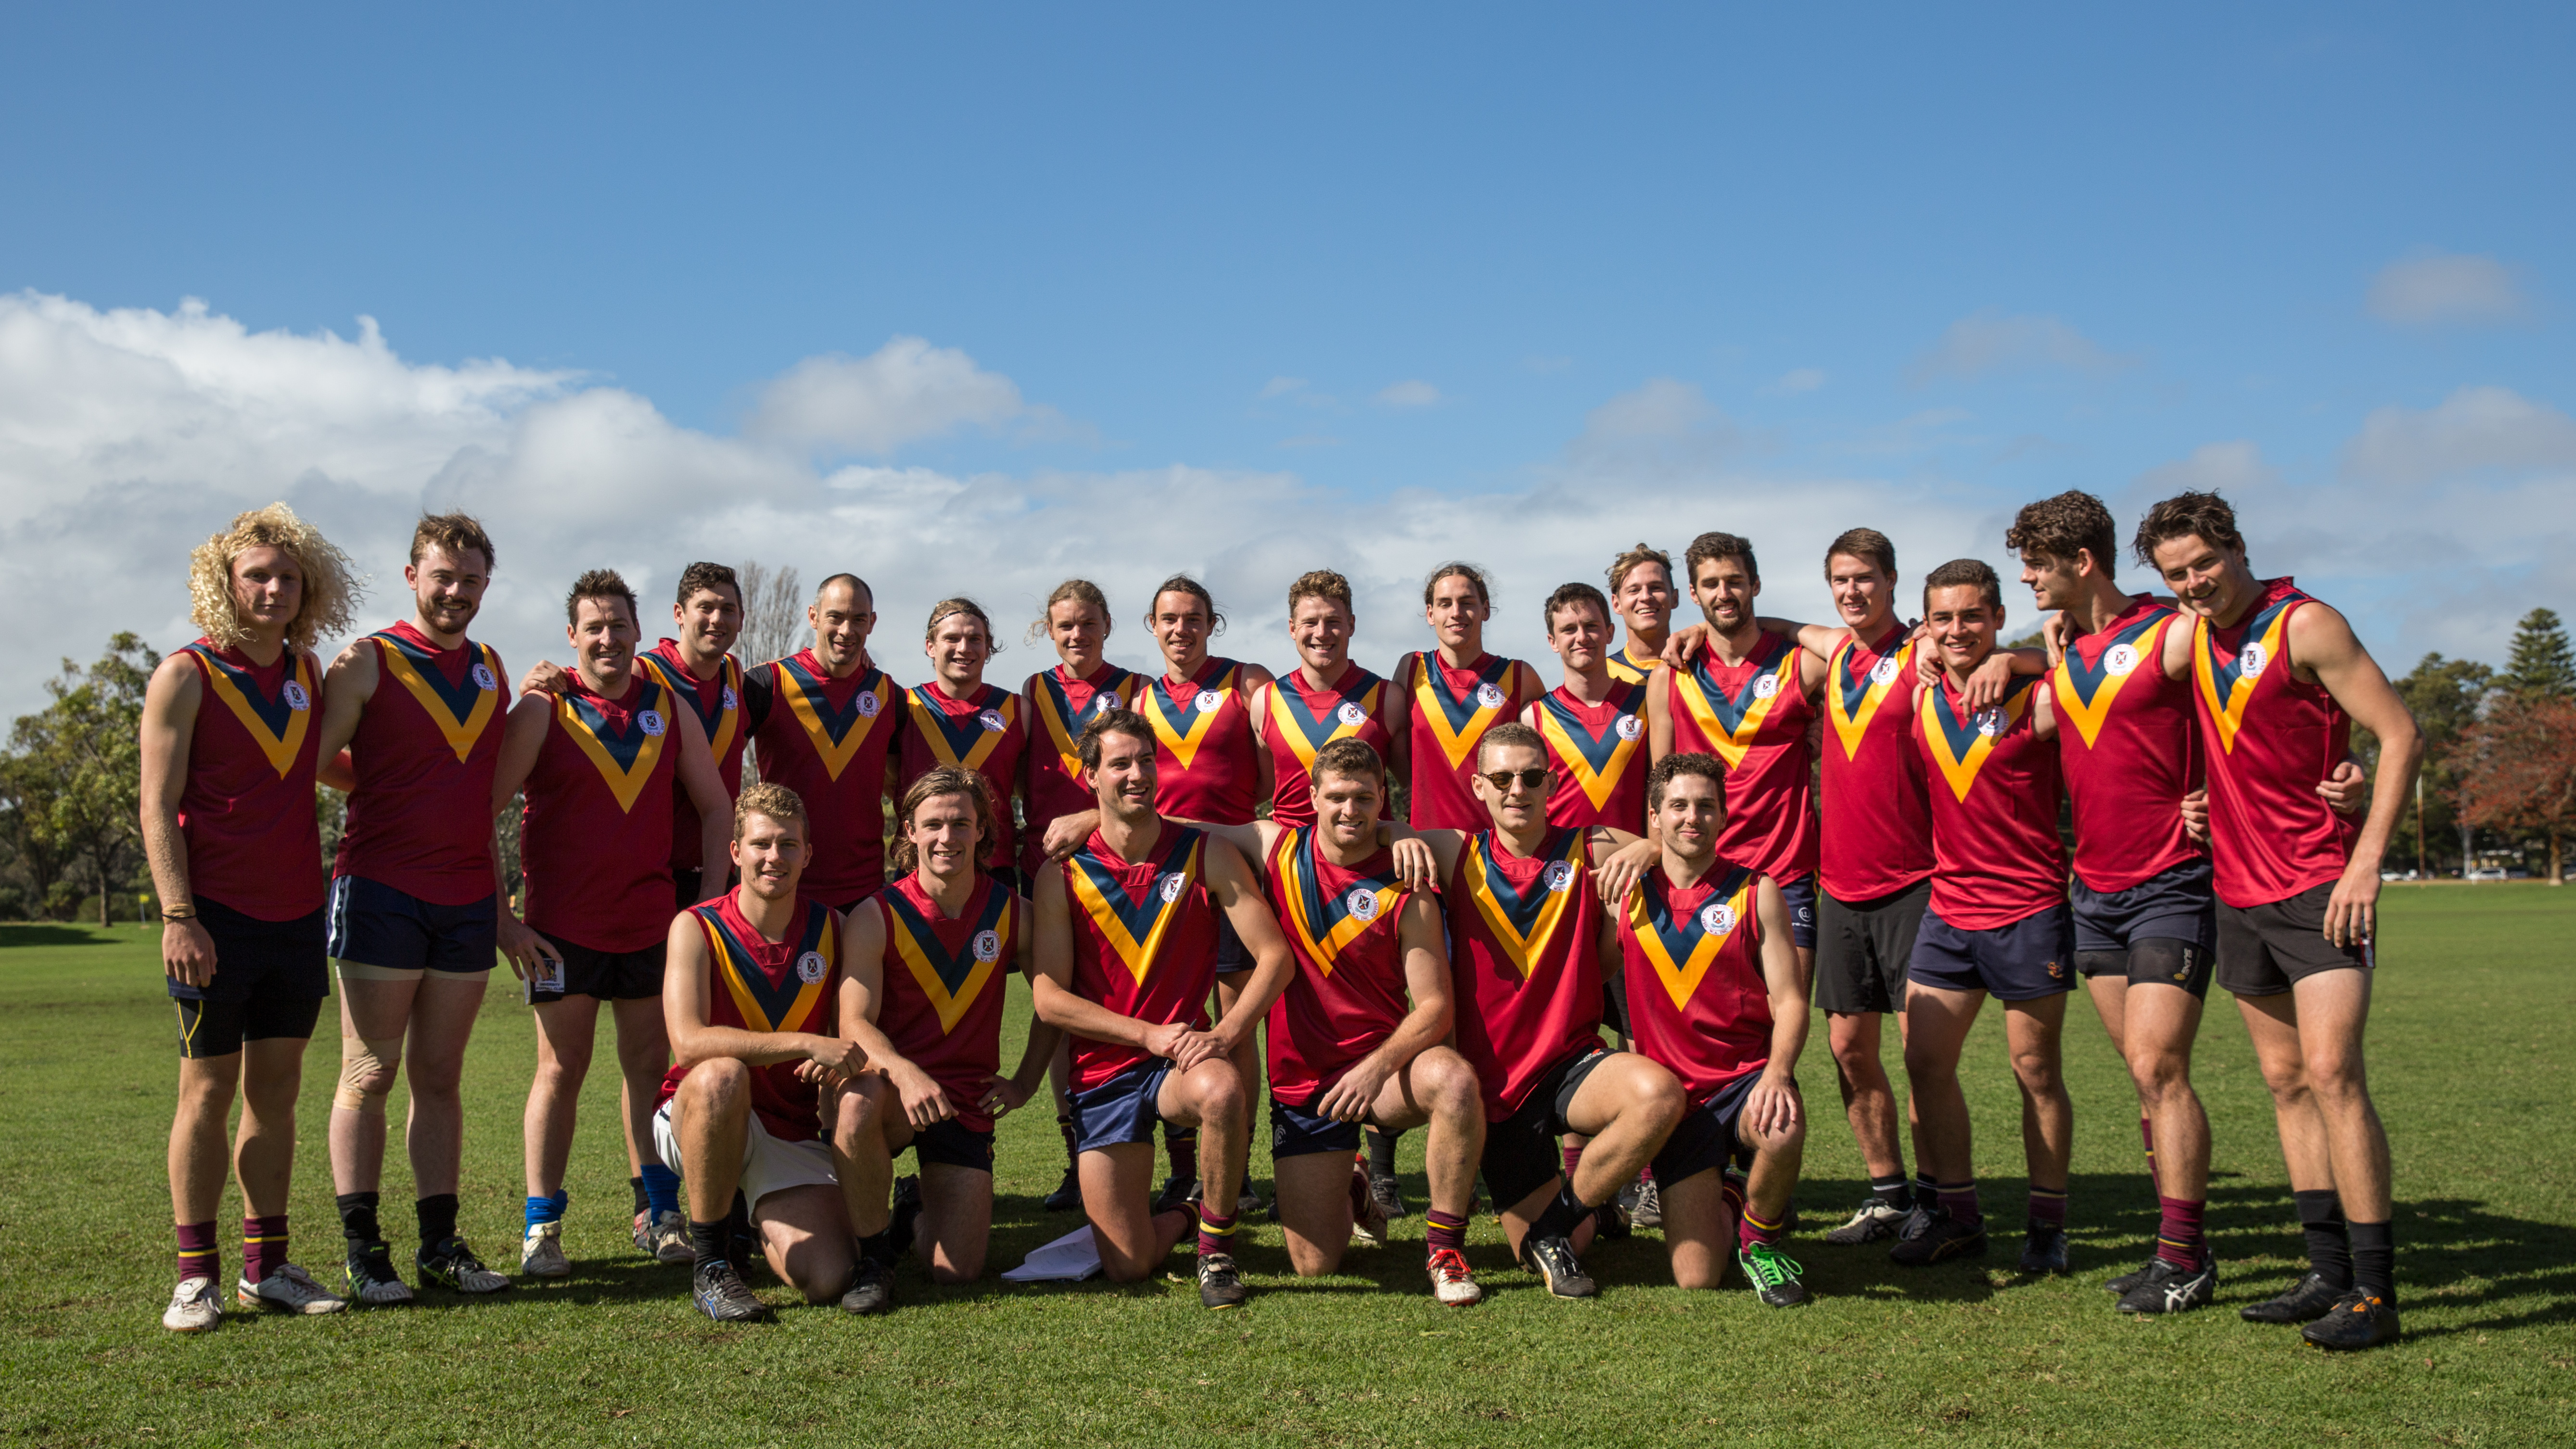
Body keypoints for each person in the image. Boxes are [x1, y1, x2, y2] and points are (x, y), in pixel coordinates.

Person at [2135, 490, 2422, 1350]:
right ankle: (2325, 1275)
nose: (2193, 584)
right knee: (2285, 1083)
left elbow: (2398, 734)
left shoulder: (2306, 624)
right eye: (2175, 575)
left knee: (2333, 1074)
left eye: (2201, 565)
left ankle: (2375, 1294)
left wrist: (2365, 860)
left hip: (2319, 889)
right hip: (2236, 892)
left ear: (2234, 547)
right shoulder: (2196, 639)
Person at [140, 503, 361, 1329]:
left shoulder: (306, 672)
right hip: (212, 921)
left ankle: (266, 1265)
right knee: (205, 1092)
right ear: (225, 583)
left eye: (286, 577)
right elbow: (156, 806)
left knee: (277, 1094)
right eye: (256, 576)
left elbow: (336, 769)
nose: (272, 589)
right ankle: (194, 1274)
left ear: (307, 589)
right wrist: (177, 914)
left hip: (297, 917)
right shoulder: (186, 675)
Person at [1172, 738, 1489, 1305]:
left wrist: (1374, 1070)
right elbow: (1173, 826)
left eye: (1364, 798)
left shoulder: (1407, 885)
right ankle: (1356, 1184)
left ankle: (1444, 1248)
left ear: (1381, 803)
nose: (1350, 810)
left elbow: (1436, 1007)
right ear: (1311, 797)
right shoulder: (1274, 848)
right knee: (1314, 1264)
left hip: (1382, 1077)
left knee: (1455, 1081)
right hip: (1304, 1087)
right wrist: (1089, 816)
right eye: (1337, 796)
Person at [488, 570, 733, 1278]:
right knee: (559, 1071)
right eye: (593, 627)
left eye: (619, 626)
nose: (607, 639)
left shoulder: (666, 706)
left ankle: (658, 1215)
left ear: (637, 632)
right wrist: (503, 920)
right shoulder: (543, 708)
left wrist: (708, 910)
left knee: (649, 1071)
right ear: (572, 637)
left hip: (651, 926)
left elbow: (718, 808)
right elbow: (484, 809)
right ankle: (543, 1228)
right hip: (560, 930)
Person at [1394, 723, 1685, 1299]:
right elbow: (1352, 828)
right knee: (1545, 1254)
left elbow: (1673, 845)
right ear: (1478, 786)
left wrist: (1648, 848)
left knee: (1659, 1096)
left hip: (1572, 1065)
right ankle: (1583, 1221)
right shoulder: (1454, 851)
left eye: (1530, 776)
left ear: (1551, 782)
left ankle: (1565, 1215)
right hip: (1495, 1091)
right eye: (1501, 778)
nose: (1516, 789)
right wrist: (1393, 834)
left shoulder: (1588, 845)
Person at [309, 512, 516, 1303]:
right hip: (382, 891)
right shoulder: (369, 661)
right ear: (412, 576)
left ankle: (439, 1244)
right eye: (443, 576)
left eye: (470, 580)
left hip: (465, 896)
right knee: (368, 1070)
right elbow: (314, 762)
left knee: (440, 1075)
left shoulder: (491, 669)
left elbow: (476, 796)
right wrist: (385, 787)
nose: (456, 591)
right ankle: (364, 1251)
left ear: (485, 586)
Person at [1029, 710, 1296, 1309]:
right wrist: (1146, 1034)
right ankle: (1186, 1209)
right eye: (1120, 764)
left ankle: (1216, 1247)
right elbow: (1048, 999)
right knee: (1128, 1265)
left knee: (1223, 1090)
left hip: (1179, 1061)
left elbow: (1275, 957)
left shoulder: (1207, 854)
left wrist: (1224, 1034)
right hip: (1105, 1071)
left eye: (1146, 761)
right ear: (1089, 776)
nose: (1136, 775)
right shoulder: (1061, 873)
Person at [1894, 559, 2075, 1273]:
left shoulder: (2038, 697)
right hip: (1948, 911)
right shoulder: (1921, 696)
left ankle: (2046, 1226)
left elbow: (2088, 670)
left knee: (2034, 1070)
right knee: (1925, 1062)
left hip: (2028, 911)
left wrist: (2023, 655)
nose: (1957, 630)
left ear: (1998, 617)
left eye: (1972, 616)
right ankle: (1960, 1218)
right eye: (1943, 618)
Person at [834, 769, 1059, 1306]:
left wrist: (1025, 1082)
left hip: (964, 1103)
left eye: (961, 823)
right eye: (932, 824)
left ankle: (910, 1206)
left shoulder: (1013, 914)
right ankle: (872, 1259)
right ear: (908, 831)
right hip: (892, 1093)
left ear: (983, 831)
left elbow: (1055, 1004)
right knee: (857, 1106)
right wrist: (904, 1073)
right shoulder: (876, 914)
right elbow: (854, 1022)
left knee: (956, 1273)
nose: (946, 837)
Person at [656, 783, 870, 1322]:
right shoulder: (696, 926)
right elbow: (687, 1044)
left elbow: (853, 1036)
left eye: (788, 845)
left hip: (785, 1128)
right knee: (720, 1074)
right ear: (735, 852)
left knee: (828, 1277)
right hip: (698, 1111)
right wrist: (802, 1041)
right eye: (760, 844)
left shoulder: (834, 930)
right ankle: (711, 1263)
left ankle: (746, 1220)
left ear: (807, 854)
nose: (774, 857)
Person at [1604, 753, 1810, 1305]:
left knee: (1782, 1127)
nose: (1690, 818)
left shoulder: (1756, 890)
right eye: (1677, 806)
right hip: (1673, 1103)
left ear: (1722, 816)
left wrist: (1777, 1074)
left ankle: (1760, 1242)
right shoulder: (1623, 893)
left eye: (1704, 806)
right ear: (1654, 817)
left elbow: (1789, 1000)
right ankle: (1728, 1194)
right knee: (1696, 1278)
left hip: (1743, 1084)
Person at [1245, 569, 1403, 1214]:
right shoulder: (1265, 701)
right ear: (1291, 629)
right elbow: (1262, 790)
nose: (1321, 632)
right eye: (1309, 622)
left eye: (1333, 620)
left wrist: (1401, 838)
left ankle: (1382, 1163)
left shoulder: (1384, 696)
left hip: (1366, 869)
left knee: (1382, 1005)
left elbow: (1404, 781)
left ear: (1351, 626)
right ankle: (1312, 1154)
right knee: (1292, 1013)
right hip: (1289, 874)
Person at [1135, 576, 1276, 1217]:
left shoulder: (1244, 682)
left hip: (1229, 872)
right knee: (1170, 1017)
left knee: (1233, 1022)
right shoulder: (1137, 699)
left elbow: (1274, 771)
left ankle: (1236, 1168)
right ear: (1151, 624)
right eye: (1168, 618)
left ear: (1210, 624)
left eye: (1193, 618)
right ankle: (1183, 1166)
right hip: (1162, 880)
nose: (1180, 630)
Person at [1646, 533, 1822, 991]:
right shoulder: (1670, 674)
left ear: (1755, 585)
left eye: (1735, 582)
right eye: (1711, 584)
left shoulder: (1801, 665)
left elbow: (1855, 650)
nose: (1723, 594)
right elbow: (1659, 786)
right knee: (1710, 1029)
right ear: (1694, 594)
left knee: (1785, 1027)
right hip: (1701, 872)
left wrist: (1784, 627)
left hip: (1785, 874)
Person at [1019, 579, 1142, 1211]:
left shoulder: (1136, 690)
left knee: (1127, 1006)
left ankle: (1151, 1155)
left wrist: (1088, 822)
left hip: (1118, 872)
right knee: (1063, 1017)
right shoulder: (1032, 692)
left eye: (1088, 624)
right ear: (1049, 629)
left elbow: (1150, 783)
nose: (1077, 635)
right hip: (1048, 873)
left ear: (1107, 625)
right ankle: (1078, 1158)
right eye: (1065, 625)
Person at [745, 574, 900, 913]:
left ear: (872, 623)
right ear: (814, 616)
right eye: (836, 617)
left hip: (865, 893)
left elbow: (906, 785)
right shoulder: (767, 684)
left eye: (859, 619)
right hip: (784, 884)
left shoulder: (889, 695)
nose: (847, 630)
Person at [634, 563, 769, 909]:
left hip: (718, 874)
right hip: (652, 877)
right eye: (705, 607)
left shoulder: (735, 674)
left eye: (728, 609)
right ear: (679, 614)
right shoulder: (644, 674)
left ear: (741, 618)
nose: (717, 619)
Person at [1390, 562, 1547, 832]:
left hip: (1500, 848)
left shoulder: (1519, 677)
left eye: (1466, 602)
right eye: (1444, 604)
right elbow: (1392, 739)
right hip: (1427, 846)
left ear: (1485, 609)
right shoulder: (1411, 669)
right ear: (1430, 614)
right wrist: (1412, 785)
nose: (1456, 613)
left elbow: (1545, 760)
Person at [899, 598, 1029, 887]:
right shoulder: (905, 707)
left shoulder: (1019, 710)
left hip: (995, 871)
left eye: (975, 639)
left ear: (988, 647)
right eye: (952, 638)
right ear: (930, 646)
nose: (964, 648)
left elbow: (1029, 786)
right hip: (918, 872)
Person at [1522, 583, 1651, 838]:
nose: (1582, 637)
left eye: (1591, 626)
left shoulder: (1646, 702)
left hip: (1635, 869)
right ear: (1553, 641)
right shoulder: (1533, 717)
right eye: (1569, 629)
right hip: (1561, 871)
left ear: (1610, 632)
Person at [1604, 543, 1679, 686]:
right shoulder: (1603, 676)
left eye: (1656, 587)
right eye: (1634, 590)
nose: (1646, 597)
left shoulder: (1700, 665)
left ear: (1674, 598)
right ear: (1616, 604)